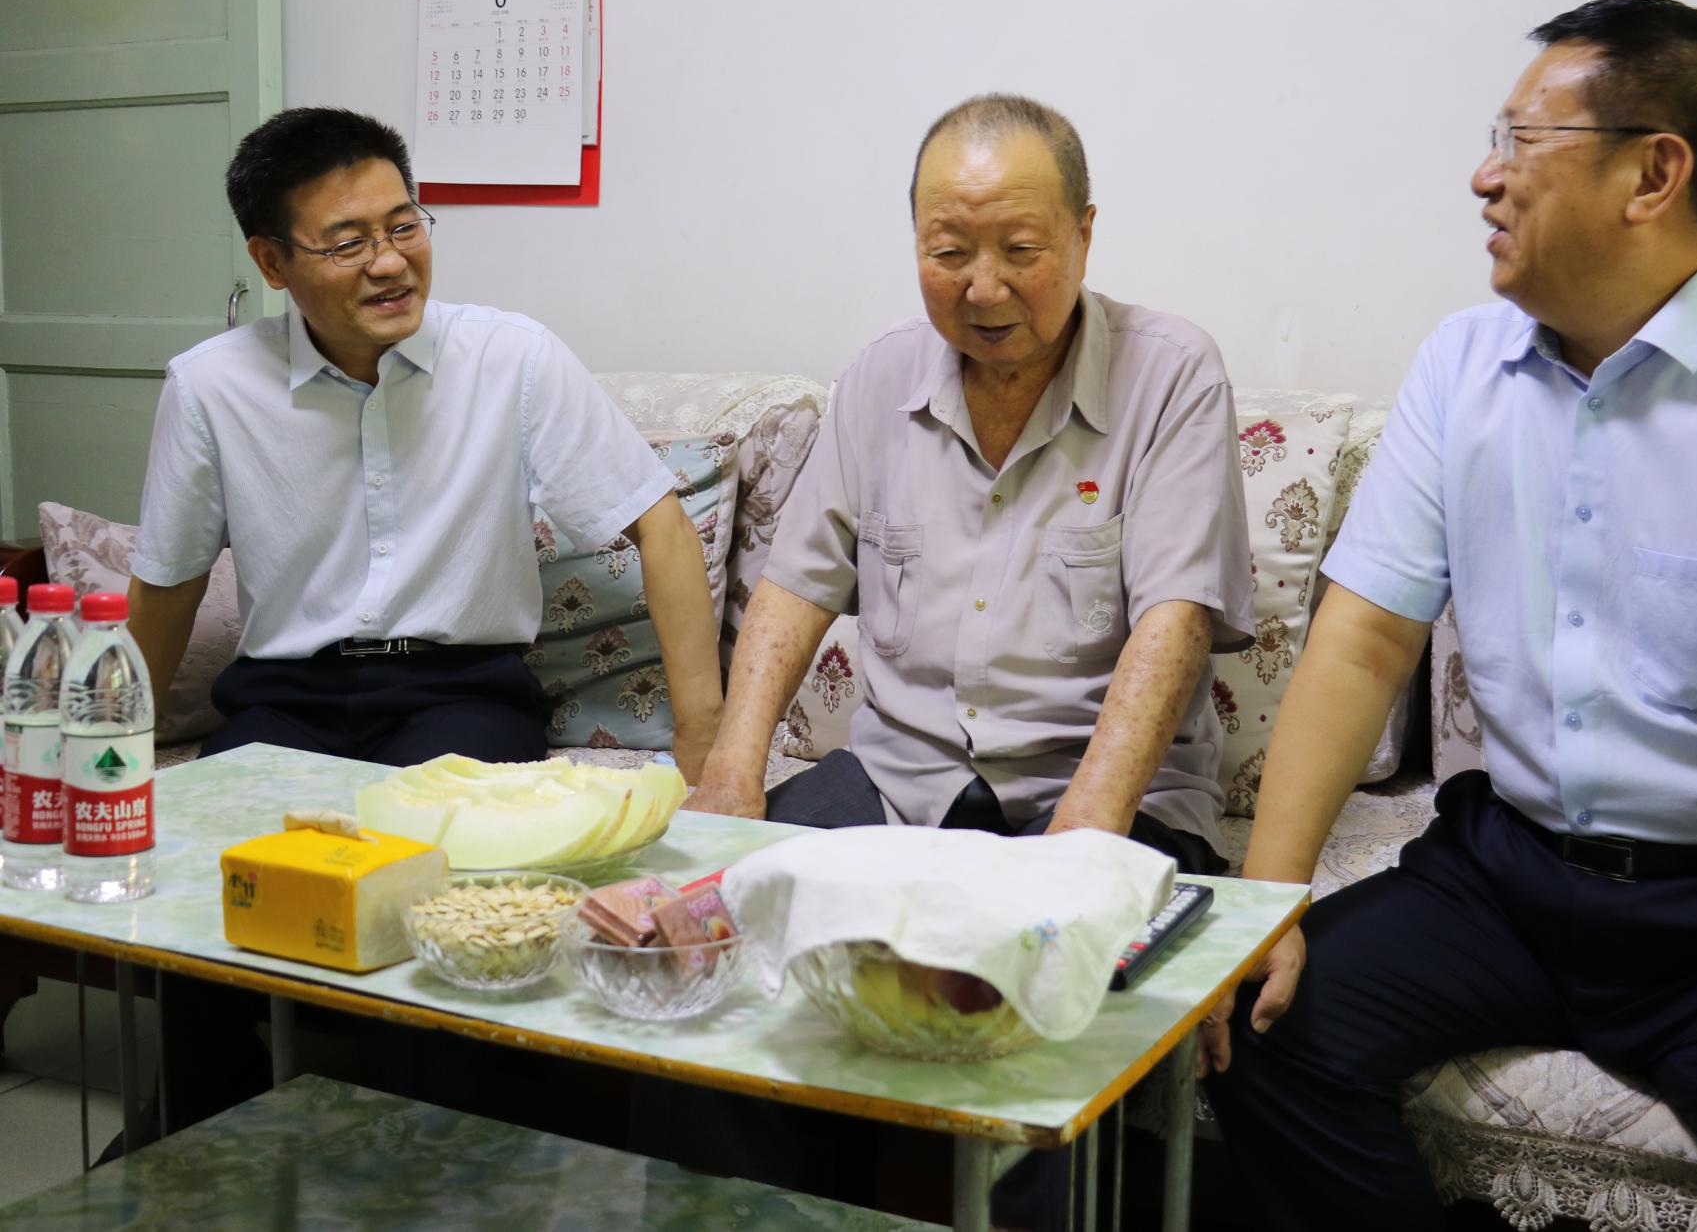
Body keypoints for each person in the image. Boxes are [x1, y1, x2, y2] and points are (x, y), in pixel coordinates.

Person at [1203, 0, 1697, 1232]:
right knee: (1247, 1029)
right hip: (1508, 877)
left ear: (1652, 173)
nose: (1483, 176)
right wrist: (1265, 906)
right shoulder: (1461, 364)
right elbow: (1362, 639)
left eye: (1519, 141)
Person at [689, 93, 1254, 878]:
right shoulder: (880, 376)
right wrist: (730, 774)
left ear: (1084, 236)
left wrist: (1078, 845)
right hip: (901, 784)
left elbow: (1176, 621)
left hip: (1102, 796)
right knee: (732, 901)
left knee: (1048, 947)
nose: (985, 288)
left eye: (1021, 250)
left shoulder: (1172, 375)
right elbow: (795, 588)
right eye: (950, 253)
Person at [126, 107, 721, 779]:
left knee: (424, 830)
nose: (389, 262)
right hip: (285, 699)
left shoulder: (513, 358)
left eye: (403, 226)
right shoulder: (210, 386)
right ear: (271, 261)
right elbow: (168, 584)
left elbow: (662, 527)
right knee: (231, 828)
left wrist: (705, 745)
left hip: (462, 694)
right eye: (348, 244)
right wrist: (107, 755)